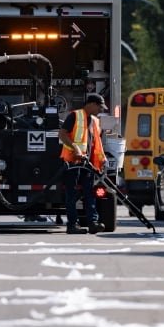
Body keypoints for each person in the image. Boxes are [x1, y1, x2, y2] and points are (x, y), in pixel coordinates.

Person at [58, 93, 107, 234]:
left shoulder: (95, 121)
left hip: (88, 164)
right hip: (73, 162)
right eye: (99, 106)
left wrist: (101, 159)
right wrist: (76, 148)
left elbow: (96, 143)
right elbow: (62, 134)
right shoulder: (75, 116)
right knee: (71, 194)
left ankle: (93, 223)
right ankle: (72, 225)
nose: (100, 110)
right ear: (91, 104)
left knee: (90, 193)